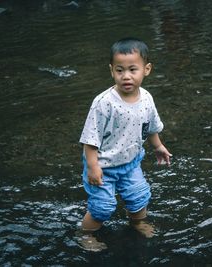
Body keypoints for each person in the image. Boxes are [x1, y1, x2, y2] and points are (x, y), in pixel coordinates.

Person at [78, 37, 172, 251]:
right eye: (120, 70)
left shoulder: (146, 98)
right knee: (103, 208)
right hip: (103, 166)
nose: (126, 76)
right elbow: (90, 140)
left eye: (132, 69)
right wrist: (93, 167)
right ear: (112, 71)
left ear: (146, 69)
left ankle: (138, 222)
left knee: (139, 196)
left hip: (130, 163)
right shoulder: (104, 103)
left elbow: (150, 126)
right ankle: (85, 234)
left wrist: (157, 146)